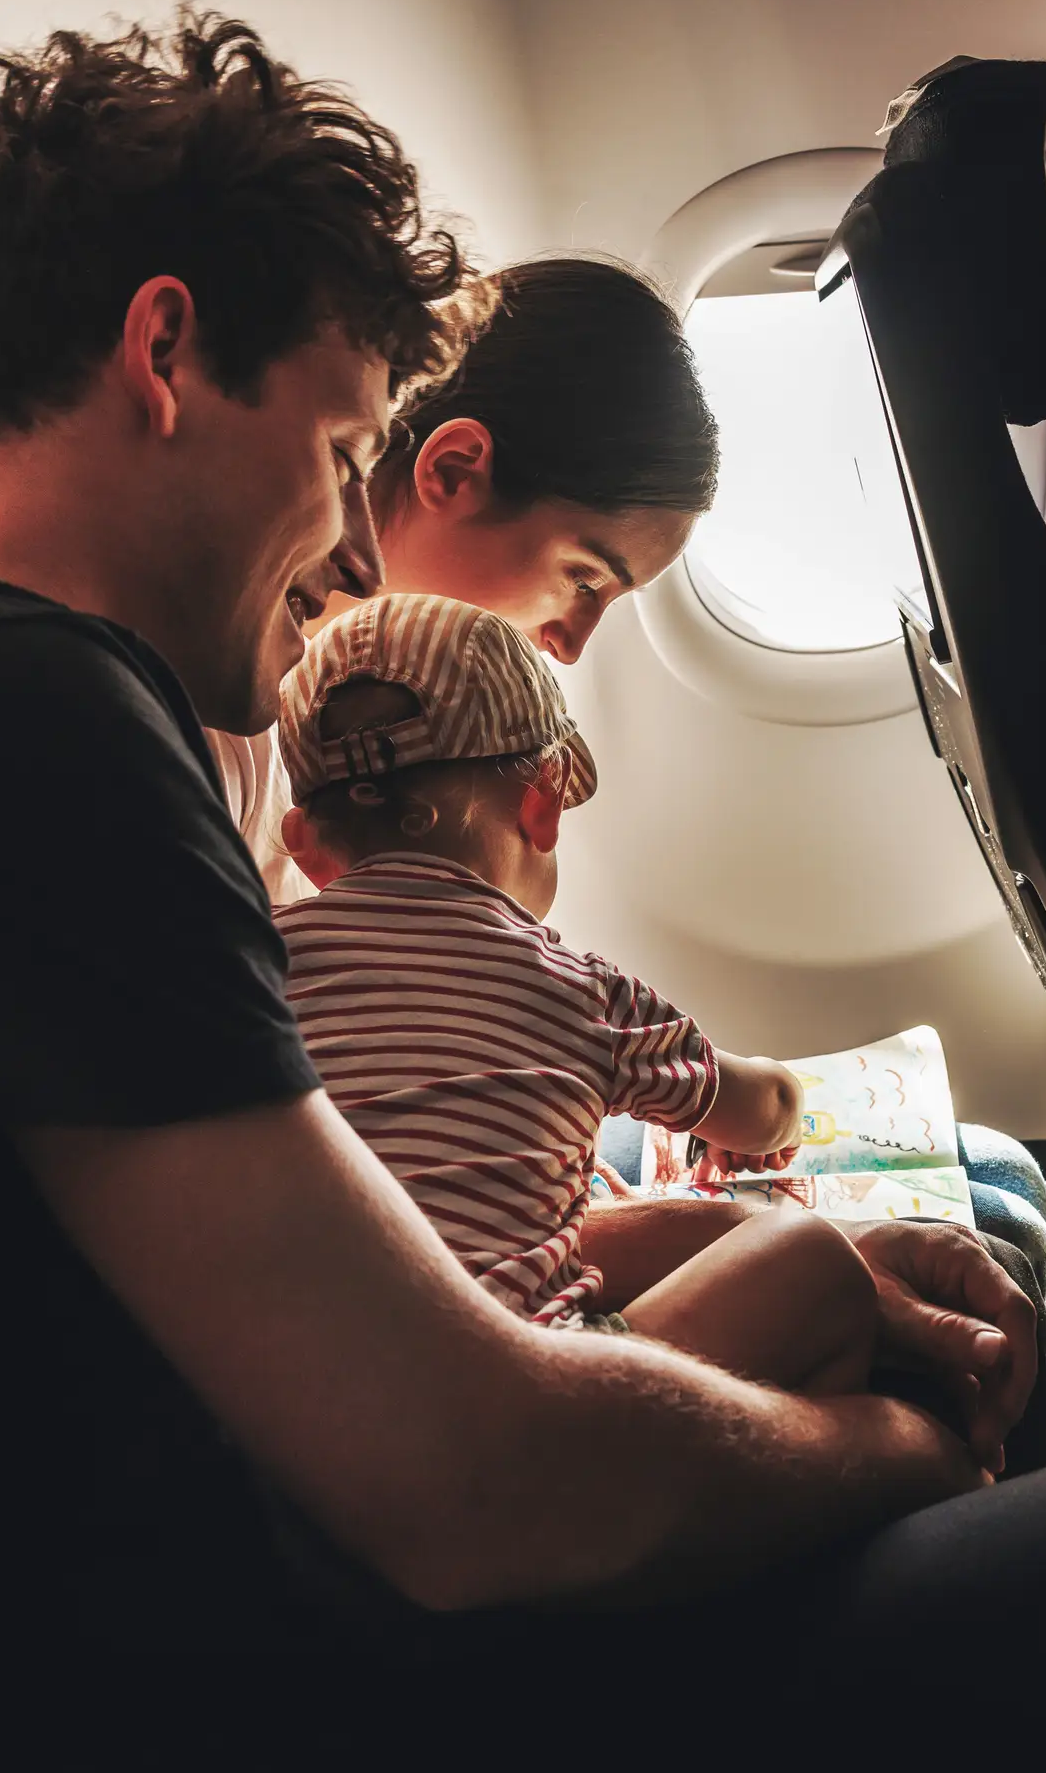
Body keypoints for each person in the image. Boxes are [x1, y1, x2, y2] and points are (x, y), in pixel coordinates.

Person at [0, 9, 1046, 1731]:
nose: (354, 544)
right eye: (342, 455)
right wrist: (903, 1449)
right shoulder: (28, 725)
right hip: (286, 1655)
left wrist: (705, 1251)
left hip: (233, 1527)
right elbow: (474, 1492)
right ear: (163, 354)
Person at [219, 249, 1046, 1456]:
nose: (571, 645)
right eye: (585, 577)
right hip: (424, 1316)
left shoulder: (351, 731)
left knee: (997, 1177)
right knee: (991, 1228)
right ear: (452, 471)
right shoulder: (246, 728)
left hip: (418, 1219)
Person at [275, 591, 881, 1403]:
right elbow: (762, 1110)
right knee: (810, 1261)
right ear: (544, 802)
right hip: (536, 1403)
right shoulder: (581, 989)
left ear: (305, 848)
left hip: (302, 1404)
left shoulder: (251, 970)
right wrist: (781, 1101)